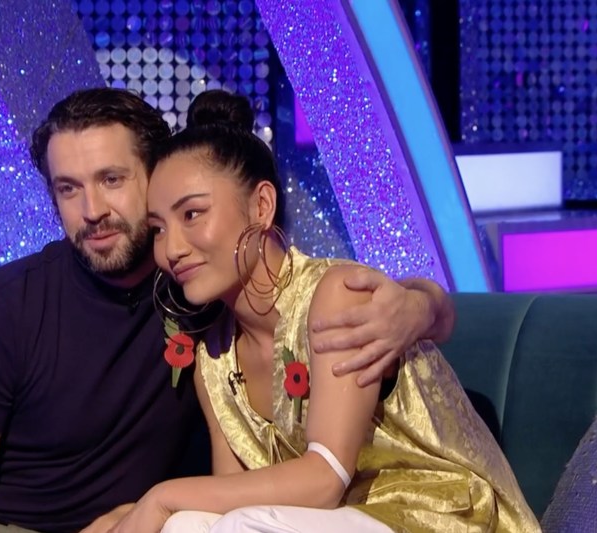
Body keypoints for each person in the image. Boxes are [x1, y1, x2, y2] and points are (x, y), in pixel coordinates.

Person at [0, 88, 456, 533]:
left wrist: (419, 304)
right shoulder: (9, 306)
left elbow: (315, 303)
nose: (91, 209)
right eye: (68, 188)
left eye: (111, 180)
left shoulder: (200, 296)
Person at [108, 90, 541, 532]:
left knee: (235, 525)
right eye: (158, 229)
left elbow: (324, 480)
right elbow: (228, 494)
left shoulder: (335, 294)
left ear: (261, 205)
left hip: (426, 514)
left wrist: (161, 496)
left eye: (193, 214)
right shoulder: (212, 355)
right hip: (320, 522)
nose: (172, 249)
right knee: (187, 525)